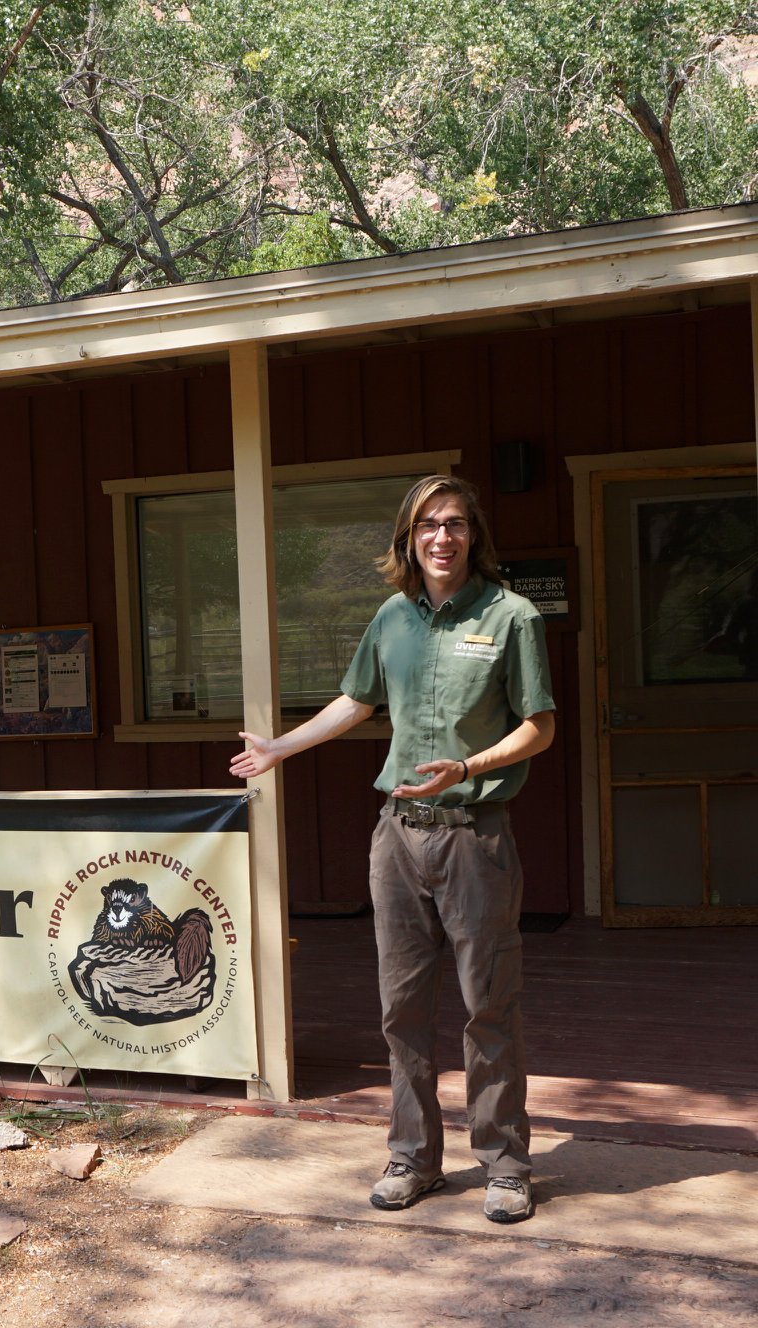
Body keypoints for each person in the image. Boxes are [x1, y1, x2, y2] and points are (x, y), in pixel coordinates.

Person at [230, 474, 555, 1224]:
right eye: (427, 525)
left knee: (489, 1008)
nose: (442, 537)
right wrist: (282, 745)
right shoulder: (391, 618)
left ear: (475, 535)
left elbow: (539, 726)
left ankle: (505, 1165)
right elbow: (357, 699)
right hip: (399, 840)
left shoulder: (513, 617)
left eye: (455, 524)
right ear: (408, 539)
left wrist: (470, 767)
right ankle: (413, 1157)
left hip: (477, 837)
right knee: (401, 1010)